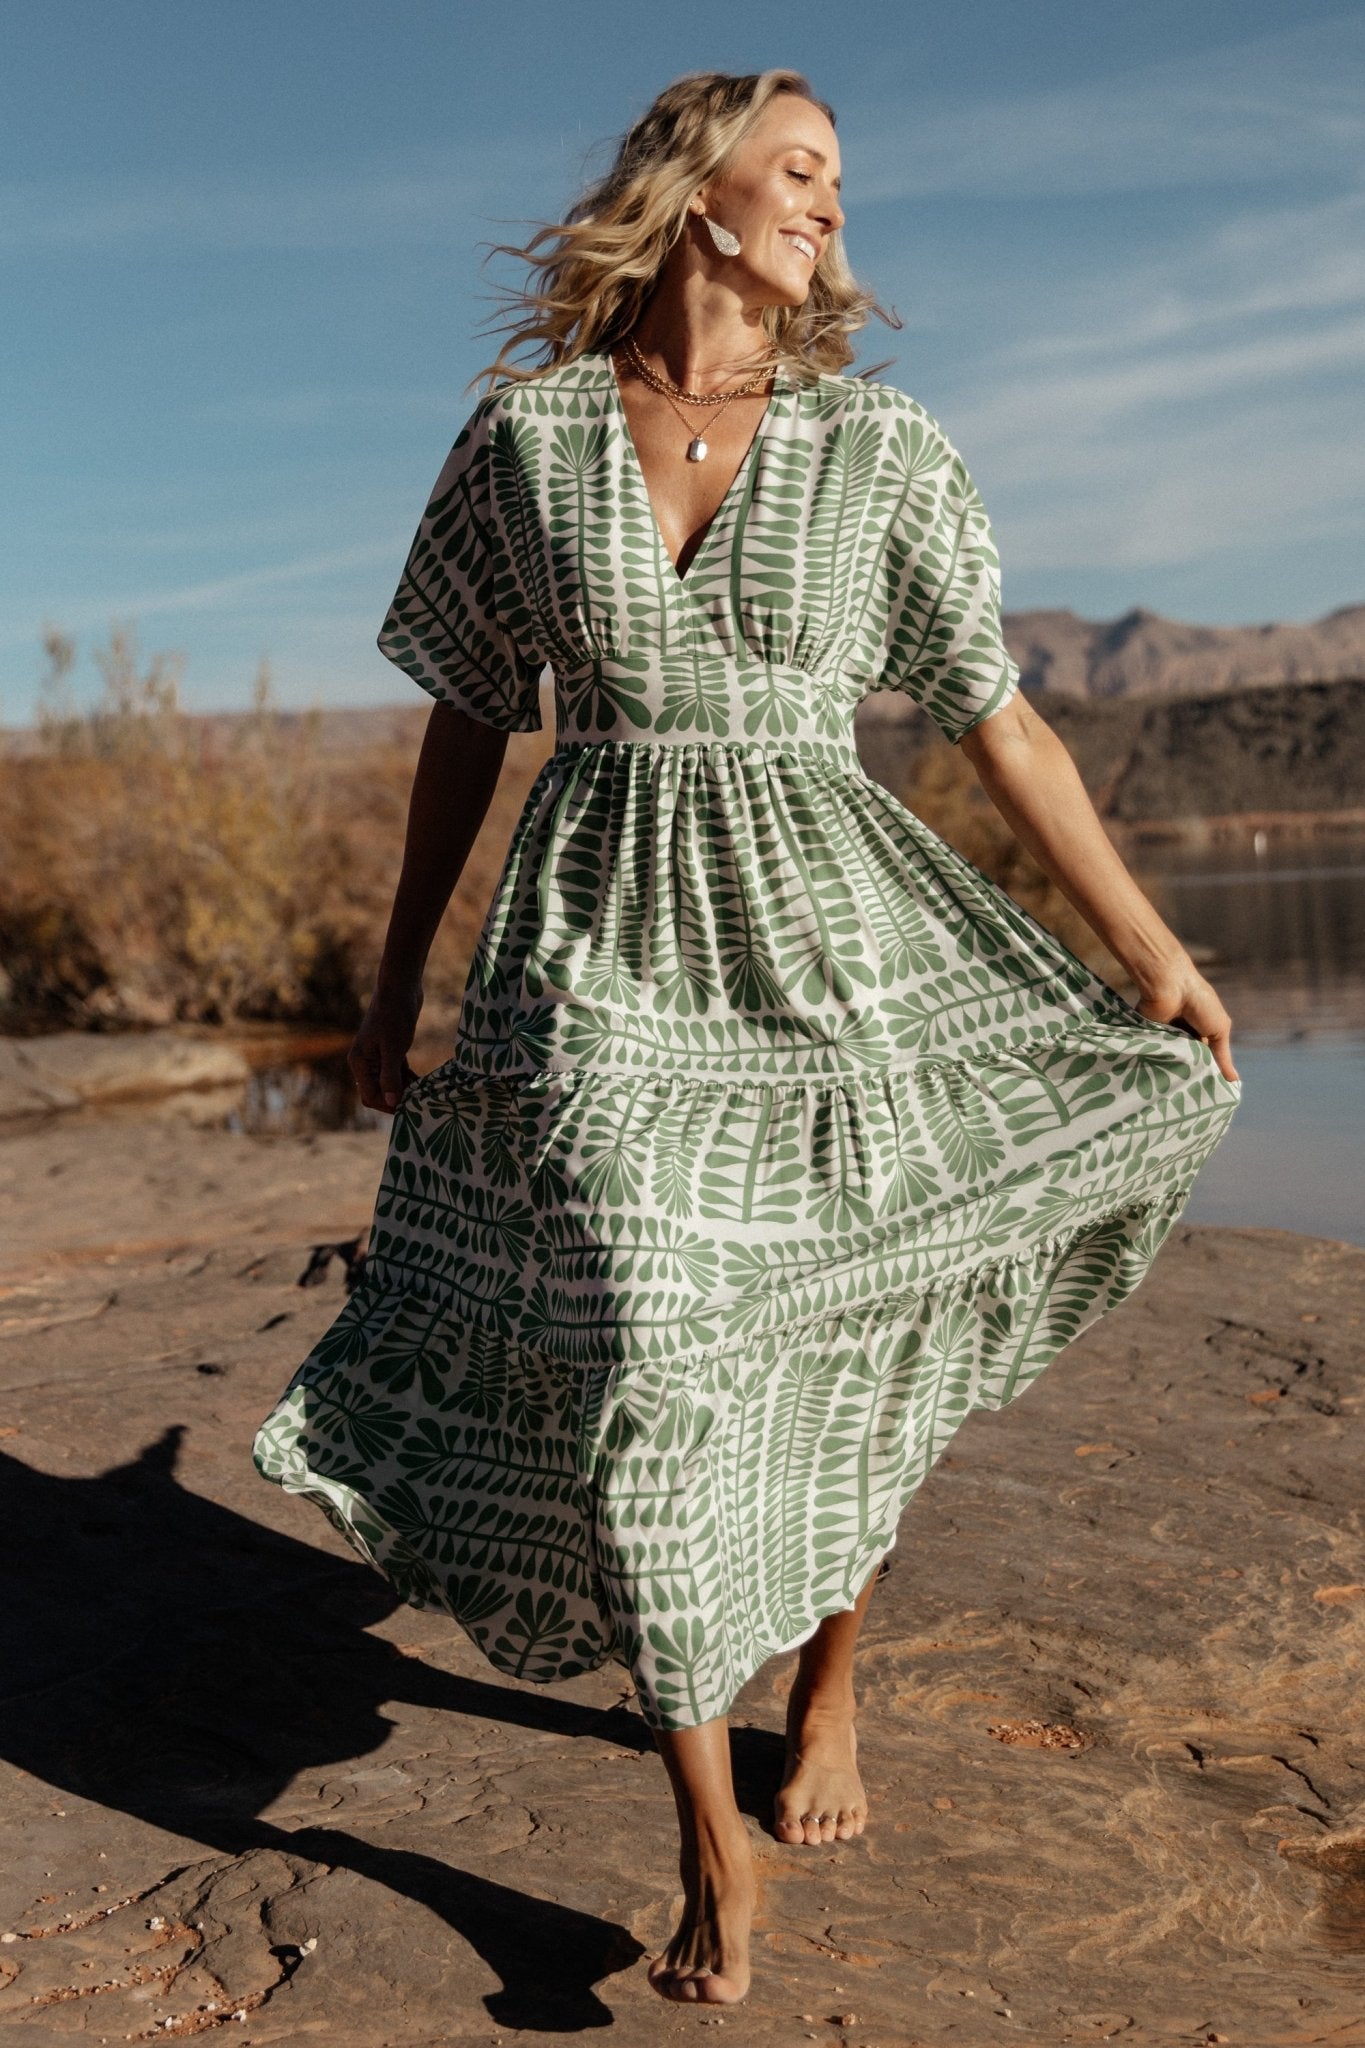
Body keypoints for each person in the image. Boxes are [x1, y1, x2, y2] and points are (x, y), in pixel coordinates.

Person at [253, 67, 1242, 2006]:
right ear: (690, 191)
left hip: (832, 948)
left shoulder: (877, 445)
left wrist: (1146, 950)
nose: (828, 214)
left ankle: (831, 1677)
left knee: (828, 1320)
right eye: (798, 173)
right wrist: (393, 981)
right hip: (598, 953)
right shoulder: (526, 441)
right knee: (642, 1336)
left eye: (837, 185)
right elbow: (468, 710)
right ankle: (706, 1834)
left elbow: (995, 711)